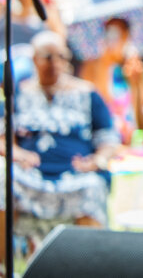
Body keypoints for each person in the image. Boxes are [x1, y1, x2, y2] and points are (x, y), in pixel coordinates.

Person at [0, 32, 120, 264]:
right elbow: (3, 137)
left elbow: (108, 138)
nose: (55, 63)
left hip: (76, 177)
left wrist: (97, 160)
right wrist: (17, 153)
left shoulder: (87, 94)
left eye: (61, 57)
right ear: (34, 60)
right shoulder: (18, 94)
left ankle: (88, 266)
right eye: (48, 57)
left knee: (93, 186)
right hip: (29, 177)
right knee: (2, 183)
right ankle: (3, 268)